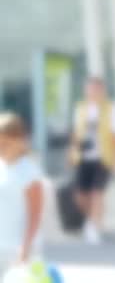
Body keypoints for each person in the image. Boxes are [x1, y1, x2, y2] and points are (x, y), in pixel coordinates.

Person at [69, 77, 115, 244]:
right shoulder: (80, 109)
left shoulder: (111, 109)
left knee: (97, 193)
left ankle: (95, 226)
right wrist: (71, 151)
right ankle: (92, 220)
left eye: (96, 89)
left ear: (102, 91)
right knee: (80, 196)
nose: (93, 92)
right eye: (90, 89)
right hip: (83, 158)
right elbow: (76, 133)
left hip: (103, 157)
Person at [0, 112, 44, 275]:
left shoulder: (29, 172)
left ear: (20, 141)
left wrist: (25, 249)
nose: (1, 148)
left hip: (19, 251)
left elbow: (35, 216)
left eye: (5, 143)